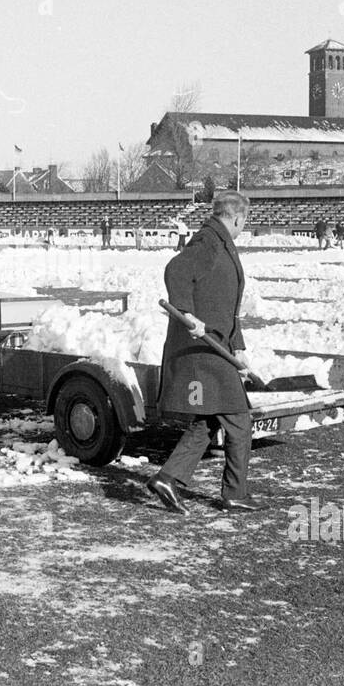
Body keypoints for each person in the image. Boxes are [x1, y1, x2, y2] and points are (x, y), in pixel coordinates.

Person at [147, 191, 265, 515]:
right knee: (240, 419)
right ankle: (235, 493)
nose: (244, 226)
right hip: (203, 349)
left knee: (207, 422)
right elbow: (176, 271)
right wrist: (186, 313)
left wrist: (238, 345)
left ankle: (167, 478)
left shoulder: (219, 241)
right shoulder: (209, 241)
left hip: (217, 346)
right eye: (245, 222)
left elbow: (228, 307)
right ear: (238, 218)